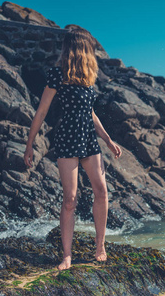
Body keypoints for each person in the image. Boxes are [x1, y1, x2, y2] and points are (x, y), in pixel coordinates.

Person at [23, 28, 122, 271]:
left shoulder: (88, 78)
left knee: (101, 192)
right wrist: (29, 144)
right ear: (83, 49)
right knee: (70, 200)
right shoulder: (57, 74)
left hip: (89, 139)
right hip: (67, 139)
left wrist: (107, 140)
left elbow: (90, 113)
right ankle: (67, 255)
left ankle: (100, 246)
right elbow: (42, 110)